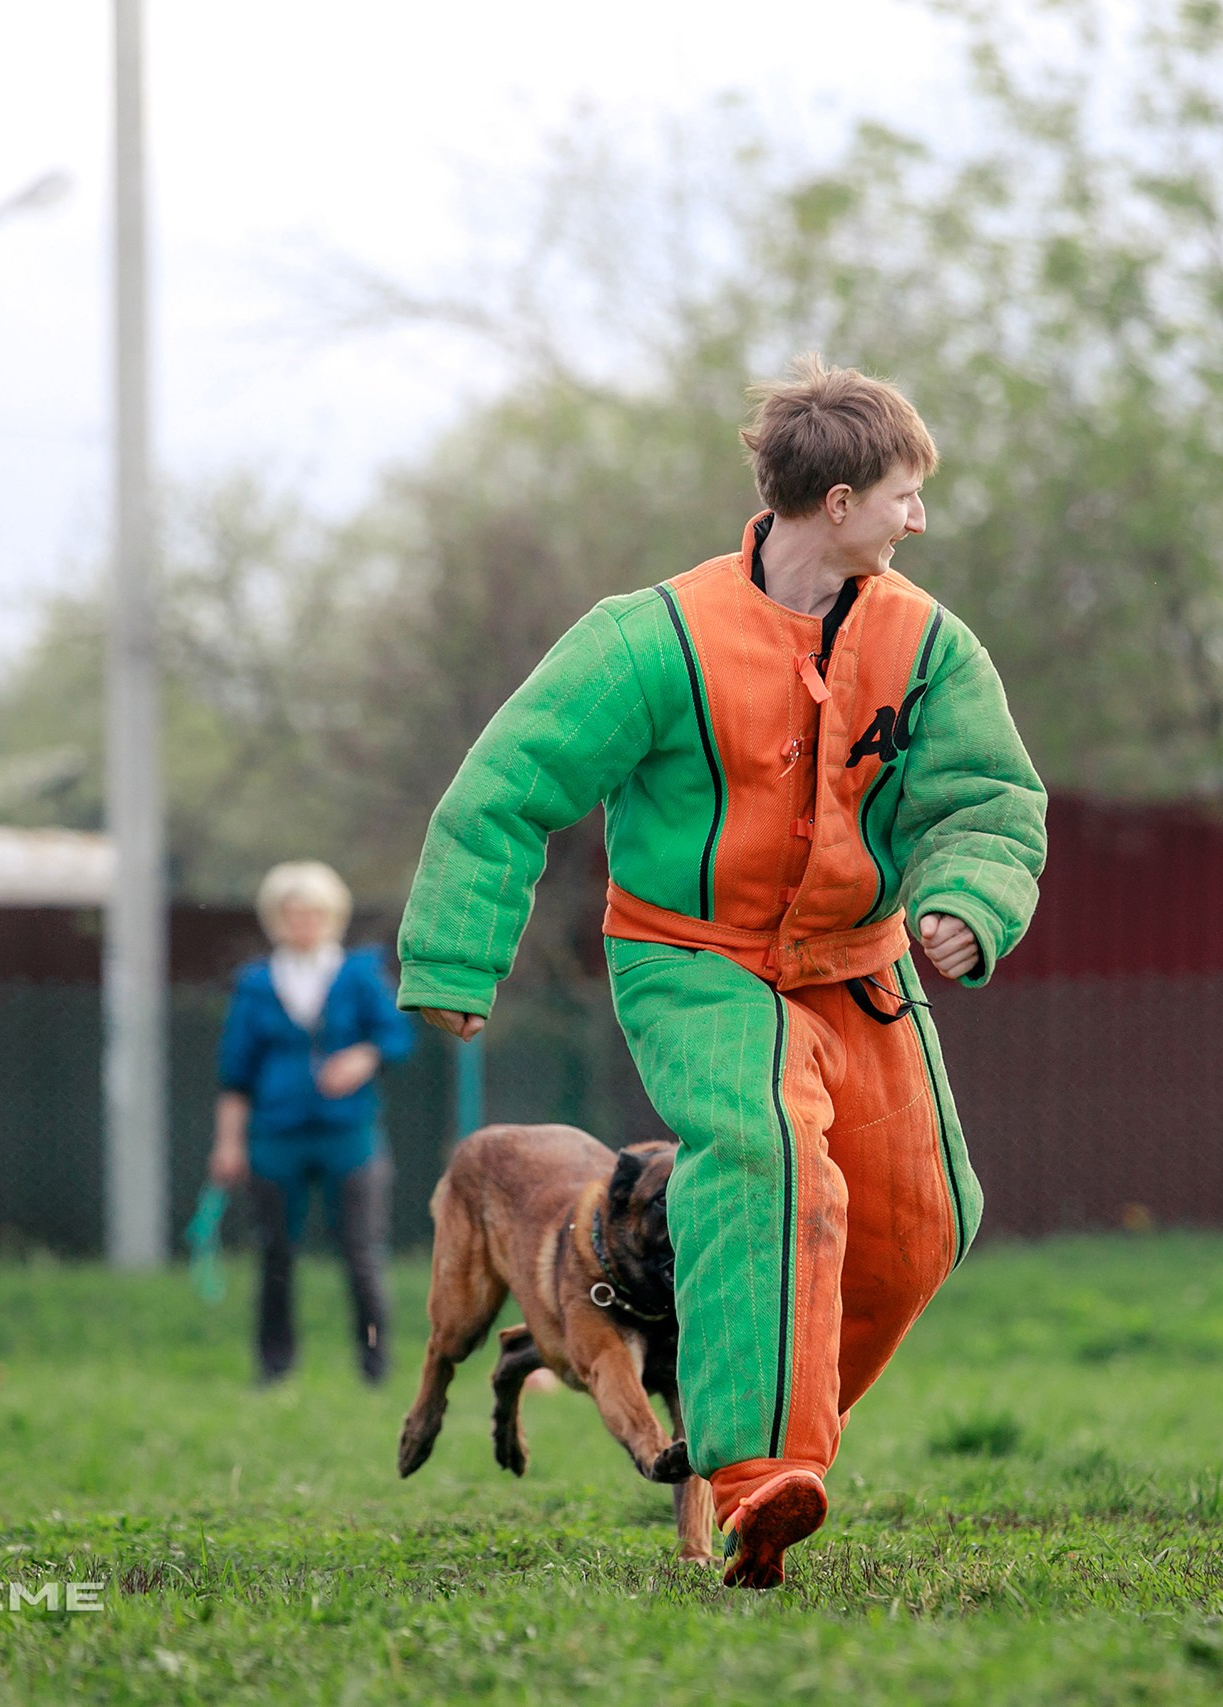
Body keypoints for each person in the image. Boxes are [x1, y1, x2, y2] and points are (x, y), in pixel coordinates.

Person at [395, 357, 1047, 1587]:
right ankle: (757, 1477)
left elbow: (993, 800)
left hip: (858, 966)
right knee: (765, 1155)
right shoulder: (651, 639)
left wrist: (967, 902)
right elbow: (503, 789)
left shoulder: (929, 646)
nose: (921, 520)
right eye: (907, 495)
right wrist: (454, 954)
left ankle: (756, 1420)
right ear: (840, 501)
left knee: (922, 1223)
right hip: (695, 962)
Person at [209, 860, 414, 1385]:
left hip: (348, 1134)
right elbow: (236, 1074)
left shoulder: (360, 973)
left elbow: (396, 1036)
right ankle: (273, 1368)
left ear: (333, 916)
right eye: (294, 913)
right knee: (275, 1252)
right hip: (276, 1136)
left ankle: (375, 1366)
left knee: (361, 1253)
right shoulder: (255, 985)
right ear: (277, 918)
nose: (304, 923)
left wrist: (364, 1057)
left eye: (315, 913)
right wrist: (228, 1144)